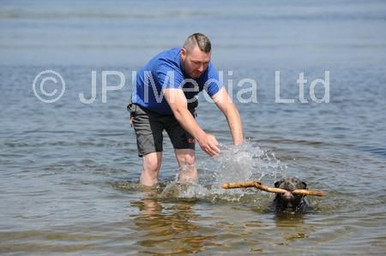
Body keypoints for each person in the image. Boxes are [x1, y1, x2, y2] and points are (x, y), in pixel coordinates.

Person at [128, 33, 243, 187]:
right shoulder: (166, 66)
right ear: (183, 53)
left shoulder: (207, 71)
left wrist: (239, 148)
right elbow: (179, 110)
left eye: (205, 62)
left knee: (188, 161)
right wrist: (202, 137)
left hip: (182, 109)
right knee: (152, 163)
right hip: (147, 111)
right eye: (196, 62)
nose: (201, 69)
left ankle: (186, 208)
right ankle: (150, 208)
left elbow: (229, 107)